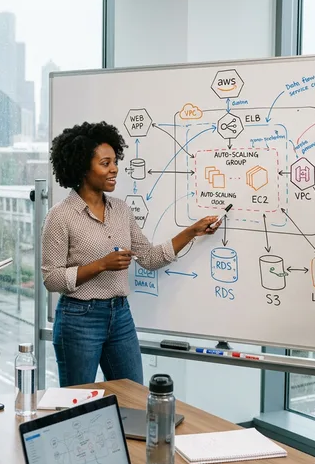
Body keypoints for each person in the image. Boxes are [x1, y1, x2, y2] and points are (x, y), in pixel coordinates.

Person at [42, 121, 220, 387]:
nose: (114, 169)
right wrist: (101, 265)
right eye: (105, 163)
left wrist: (192, 231)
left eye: (115, 162)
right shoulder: (60, 216)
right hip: (78, 319)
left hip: (120, 316)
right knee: (78, 402)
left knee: (134, 397)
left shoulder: (121, 210)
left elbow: (149, 258)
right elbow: (51, 279)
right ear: (82, 168)